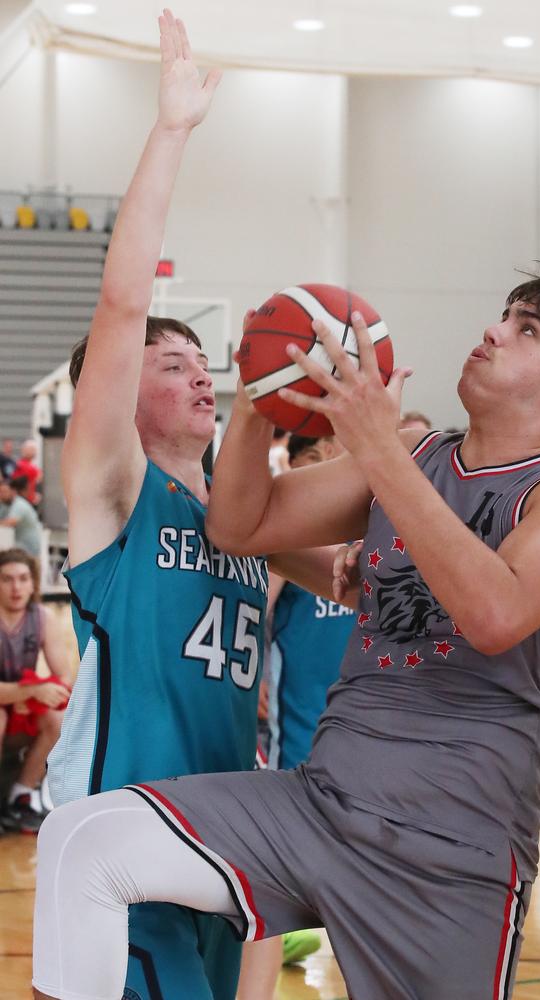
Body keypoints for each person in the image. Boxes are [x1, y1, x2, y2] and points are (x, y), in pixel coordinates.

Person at [32, 279, 540, 994]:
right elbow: (241, 526)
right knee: (81, 843)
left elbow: (495, 614)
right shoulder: (418, 455)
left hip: (449, 848)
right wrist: (265, 396)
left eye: (528, 329)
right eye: (504, 315)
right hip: (319, 805)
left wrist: (380, 452)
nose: (495, 331)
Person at [39, 13, 348, 1000]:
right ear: (121, 395)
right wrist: (170, 128)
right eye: (168, 365)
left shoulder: (246, 513)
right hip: (126, 825)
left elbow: (353, 565)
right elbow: (121, 310)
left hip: (228, 832)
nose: (197, 375)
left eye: (198, 360)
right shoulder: (116, 491)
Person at [237, 433, 355, 1000]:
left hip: (351, 692)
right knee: (297, 802)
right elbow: (260, 599)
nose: (331, 458)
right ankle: (276, 926)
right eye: (318, 454)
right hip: (300, 692)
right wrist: (253, 667)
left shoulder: (359, 524)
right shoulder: (297, 527)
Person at [0, 548, 71, 833]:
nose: (16, 587)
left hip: (19, 705)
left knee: (59, 715)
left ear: (33, 583)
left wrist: (36, 694)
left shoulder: (42, 618)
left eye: (23, 578)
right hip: (7, 707)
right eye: (6, 579)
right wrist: (28, 692)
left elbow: (65, 678)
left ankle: (22, 795)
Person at [0, 477, 43, 558]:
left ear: (13, 491)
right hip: (18, 544)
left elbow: (10, 522)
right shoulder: (5, 504)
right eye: (0, 492)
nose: (1, 494)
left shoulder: (20, 504)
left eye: (4, 491)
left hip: (29, 548)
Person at [13, 439, 42, 506]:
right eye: (33, 449)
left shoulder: (19, 464)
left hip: (22, 499)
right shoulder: (28, 467)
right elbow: (38, 478)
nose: (35, 451)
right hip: (27, 500)